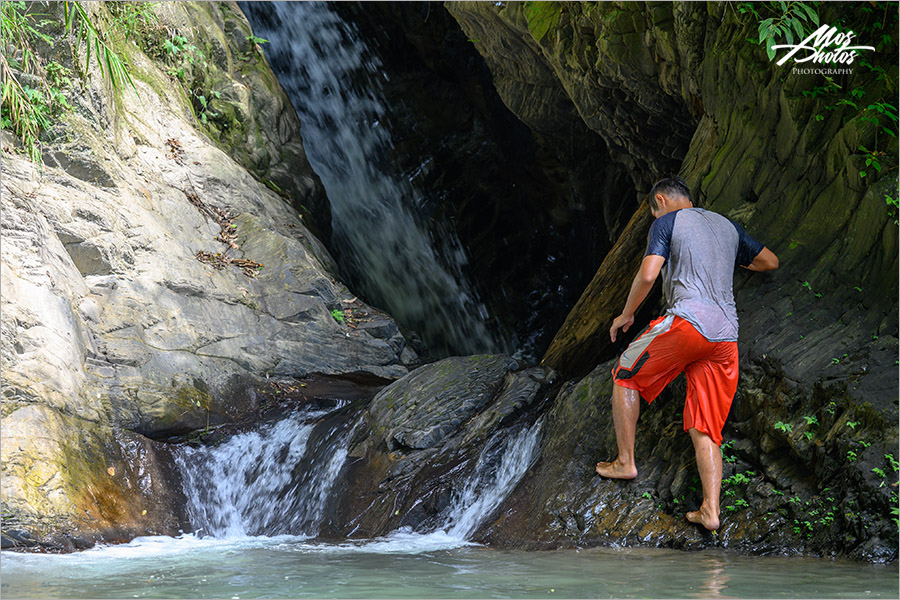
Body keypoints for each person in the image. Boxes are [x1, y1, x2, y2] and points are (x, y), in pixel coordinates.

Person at [595, 176, 779, 532]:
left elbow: (649, 274)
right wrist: (734, 264)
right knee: (706, 425)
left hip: (687, 323)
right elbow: (769, 261)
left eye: (653, 212)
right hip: (725, 338)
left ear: (660, 201)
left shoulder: (667, 222)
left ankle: (625, 461)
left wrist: (627, 314)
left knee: (625, 373)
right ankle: (711, 511)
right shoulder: (728, 227)